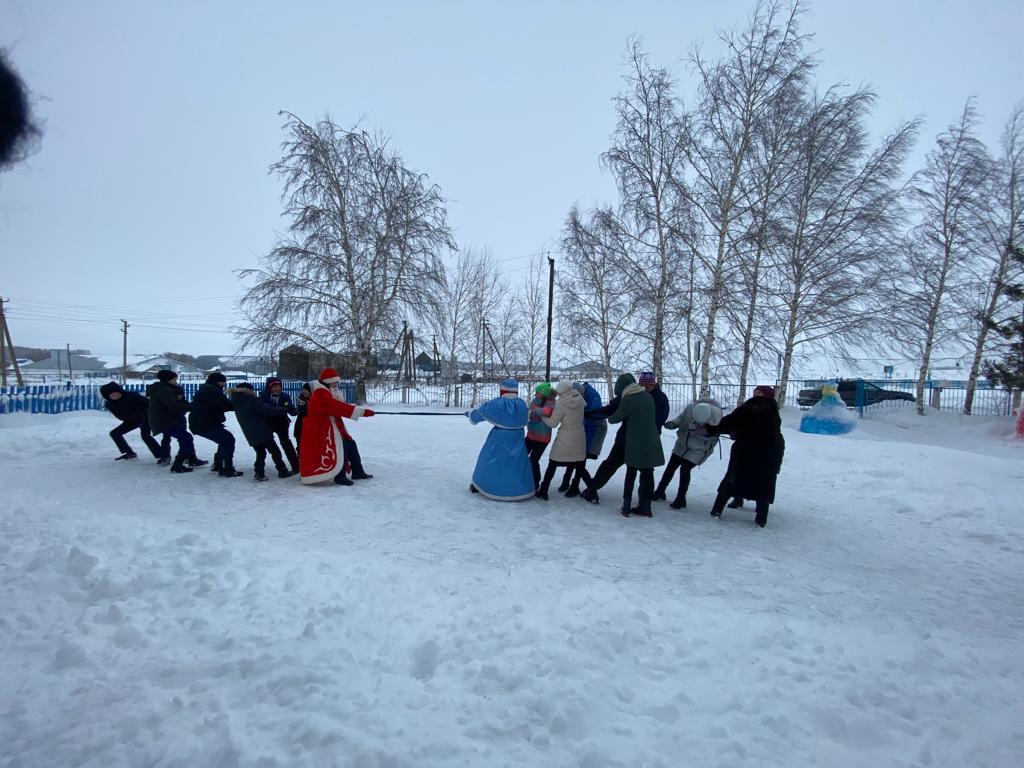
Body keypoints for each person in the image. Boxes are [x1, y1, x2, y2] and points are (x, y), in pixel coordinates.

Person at [703, 385, 785, 527]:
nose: (756, 395)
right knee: (763, 483)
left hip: (746, 451)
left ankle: (717, 511)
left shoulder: (749, 408)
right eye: (755, 392)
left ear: (766, 396)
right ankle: (761, 518)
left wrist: (710, 428)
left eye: (759, 393)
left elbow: (729, 422)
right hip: (768, 453)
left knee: (733, 479)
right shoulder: (773, 410)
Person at [298, 368, 374, 486]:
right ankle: (340, 476)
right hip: (320, 429)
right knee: (342, 447)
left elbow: (338, 406)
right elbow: (338, 407)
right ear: (328, 381)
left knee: (350, 444)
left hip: (330, 425)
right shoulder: (320, 393)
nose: (336, 385)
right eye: (334, 382)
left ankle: (358, 471)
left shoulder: (327, 391)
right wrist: (362, 412)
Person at [466, 378, 535, 501]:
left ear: (502, 390)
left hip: (498, 440)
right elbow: (528, 415)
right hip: (517, 439)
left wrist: (471, 414)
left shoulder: (497, 404)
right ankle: (519, 490)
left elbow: (480, 414)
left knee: (489, 461)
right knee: (517, 464)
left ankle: (484, 486)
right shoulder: (521, 404)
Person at [607, 373, 665, 517]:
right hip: (651, 441)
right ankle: (646, 507)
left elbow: (614, 419)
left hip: (635, 442)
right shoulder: (649, 398)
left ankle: (626, 506)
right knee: (648, 473)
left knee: (631, 472)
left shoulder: (628, 400)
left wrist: (609, 415)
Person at [653, 397, 724, 509]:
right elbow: (680, 419)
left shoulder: (717, 418)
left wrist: (705, 432)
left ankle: (681, 498)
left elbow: (716, 435)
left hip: (699, 449)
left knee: (685, 469)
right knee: (671, 467)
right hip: (681, 445)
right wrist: (673, 424)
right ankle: (660, 491)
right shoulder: (690, 408)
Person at [580, 373, 635, 505]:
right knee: (637, 471)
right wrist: (589, 414)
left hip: (628, 440)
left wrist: (589, 414)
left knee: (614, 466)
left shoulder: (628, 399)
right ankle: (643, 503)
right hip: (631, 440)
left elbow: (611, 414)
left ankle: (631, 503)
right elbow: (608, 409)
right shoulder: (642, 397)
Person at [536, 380, 589, 499]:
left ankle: (543, 491)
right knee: (580, 466)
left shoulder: (561, 403)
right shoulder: (579, 398)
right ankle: (593, 493)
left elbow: (553, 423)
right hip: (579, 438)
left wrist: (542, 415)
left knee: (553, 462)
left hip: (565, 438)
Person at [146, 370, 205, 474]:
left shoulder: (168, 389)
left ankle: (191, 459)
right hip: (164, 421)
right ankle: (177, 465)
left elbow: (178, 403)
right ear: (167, 380)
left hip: (170, 419)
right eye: (174, 379)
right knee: (186, 438)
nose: (175, 381)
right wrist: (193, 406)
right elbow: (174, 405)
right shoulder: (164, 390)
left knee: (184, 437)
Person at [230, 382, 291, 481]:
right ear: (248, 390)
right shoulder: (252, 400)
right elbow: (268, 411)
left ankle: (259, 473)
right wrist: (284, 409)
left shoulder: (236, 401)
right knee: (275, 451)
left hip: (250, 432)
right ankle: (282, 471)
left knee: (260, 452)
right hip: (262, 430)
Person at [188, 372, 243, 478]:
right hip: (204, 423)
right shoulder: (212, 390)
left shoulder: (207, 388)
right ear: (218, 382)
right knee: (227, 440)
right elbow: (225, 404)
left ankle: (218, 465)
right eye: (223, 382)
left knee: (225, 439)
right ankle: (226, 468)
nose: (224, 384)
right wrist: (239, 403)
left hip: (203, 422)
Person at [557, 381, 605, 492]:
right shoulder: (580, 393)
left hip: (594, 429)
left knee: (581, 457)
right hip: (583, 427)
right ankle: (567, 482)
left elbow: (595, 414)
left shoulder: (594, 396)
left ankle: (575, 485)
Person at [99, 381, 163, 461]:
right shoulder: (110, 404)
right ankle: (129, 453)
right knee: (115, 433)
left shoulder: (132, 396)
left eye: (117, 393)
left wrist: (146, 414)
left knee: (145, 436)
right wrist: (133, 417)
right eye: (112, 395)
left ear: (120, 391)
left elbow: (149, 404)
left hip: (145, 418)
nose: (115, 396)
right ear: (108, 396)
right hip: (131, 420)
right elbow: (120, 417)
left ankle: (161, 455)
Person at [259, 376, 299, 474]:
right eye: (274, 387)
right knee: (268, 445)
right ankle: (261, 469)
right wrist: (281, 409)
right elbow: (266, 408)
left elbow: (290, 408)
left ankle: (296, 466)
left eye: (279, 386)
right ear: (269, 387)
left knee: (286, 443)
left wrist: (297, 411)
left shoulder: (285, 396)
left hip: (282, 423)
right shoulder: (263, 396)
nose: (277, 389)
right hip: (268, 423)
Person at [525, 382, 556, 489]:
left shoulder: (551, 402)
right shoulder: (534, 401)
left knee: (533, 460)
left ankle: (535, 481)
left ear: (543, 394)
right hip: (530, 436)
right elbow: (530, 412)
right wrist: (536, 413)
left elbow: (547, 411)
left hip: (542, 438)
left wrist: (535, 413)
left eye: (537, 392)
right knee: (522, 455)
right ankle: (523, 477)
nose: (535, 394)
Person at [293, 382, 312, 456]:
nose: (304, 391)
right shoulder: (301, 398)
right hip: (300, 423)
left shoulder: (314, 399)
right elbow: (301, 409)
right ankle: (300, 457)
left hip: (311, 423)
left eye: (306, 390)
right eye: (303, 389)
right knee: (300, 441)